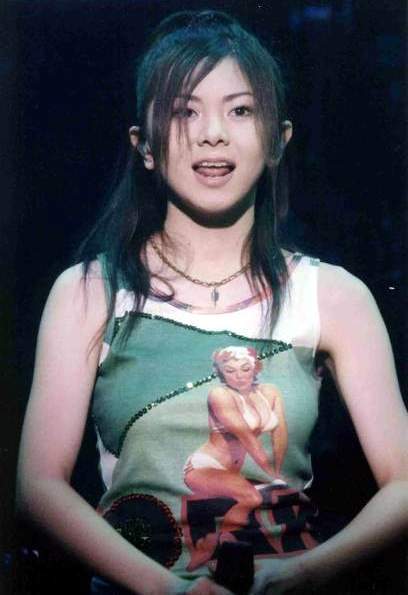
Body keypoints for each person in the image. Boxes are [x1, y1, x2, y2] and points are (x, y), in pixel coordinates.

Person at [16, 9, 407, 595]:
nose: (212, 133)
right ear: (145, 146)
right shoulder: (88, 292)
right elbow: (38, 486)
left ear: (277, 140)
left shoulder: (333, 296)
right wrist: (166, 590)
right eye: (184, 111)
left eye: (240, 110)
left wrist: (305, 572)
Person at [183, 346, 288, 571]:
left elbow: (280, 433)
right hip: (203, 466)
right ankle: (211, 545)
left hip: (231, 472)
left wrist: (279, 471)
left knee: (256, 497)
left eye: (245, 369)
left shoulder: (270, 392)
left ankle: (218, 543)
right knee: (251, 497)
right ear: (221, 373)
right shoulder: (220, 395)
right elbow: (247, 438)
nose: (239, 376)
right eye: (230, 371)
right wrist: (272, 475)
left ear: (256, 368)